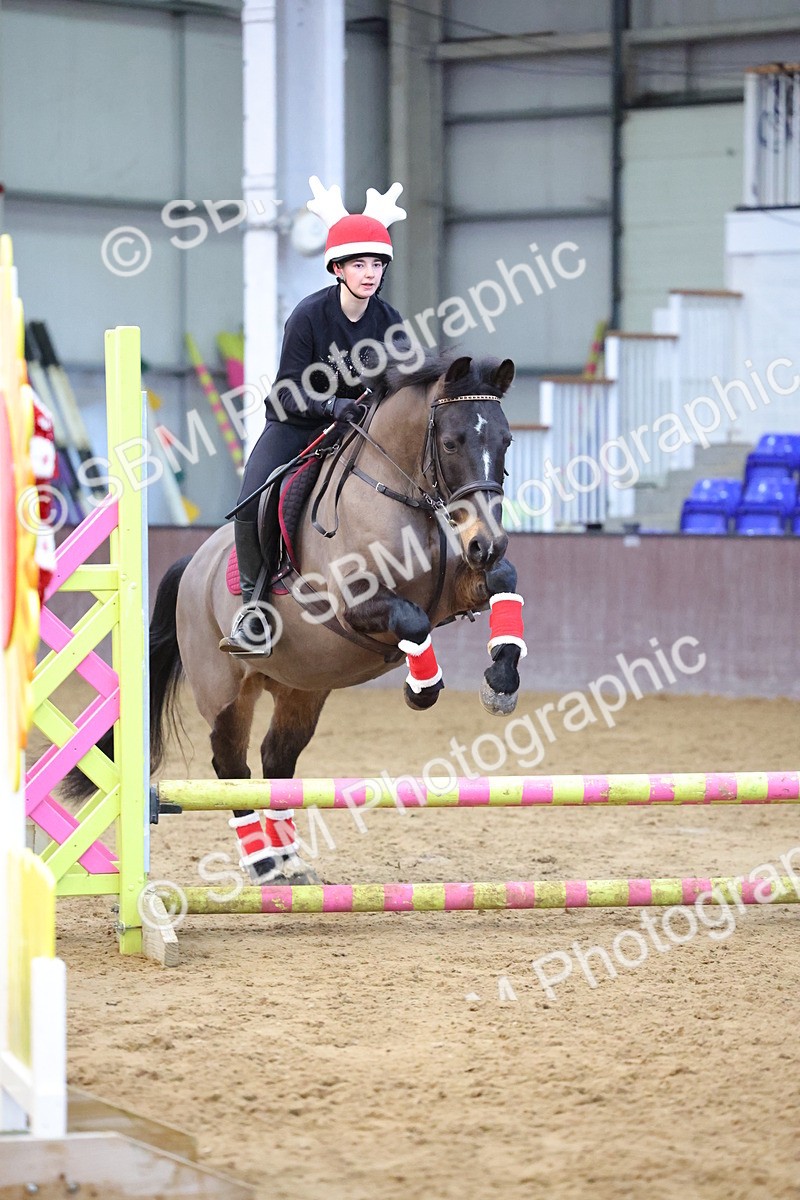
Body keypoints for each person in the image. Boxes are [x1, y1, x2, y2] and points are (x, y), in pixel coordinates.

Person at [219, 176, 408, 655]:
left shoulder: (389, 322)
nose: (370, 273)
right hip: (296, 424)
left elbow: (404, 385)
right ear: (337, 269)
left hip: (359, 430)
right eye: (358, 264)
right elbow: (287, 390)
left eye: (377, 264)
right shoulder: (308, 316)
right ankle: (254, 611)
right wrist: (331, 406)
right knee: (250, 502)